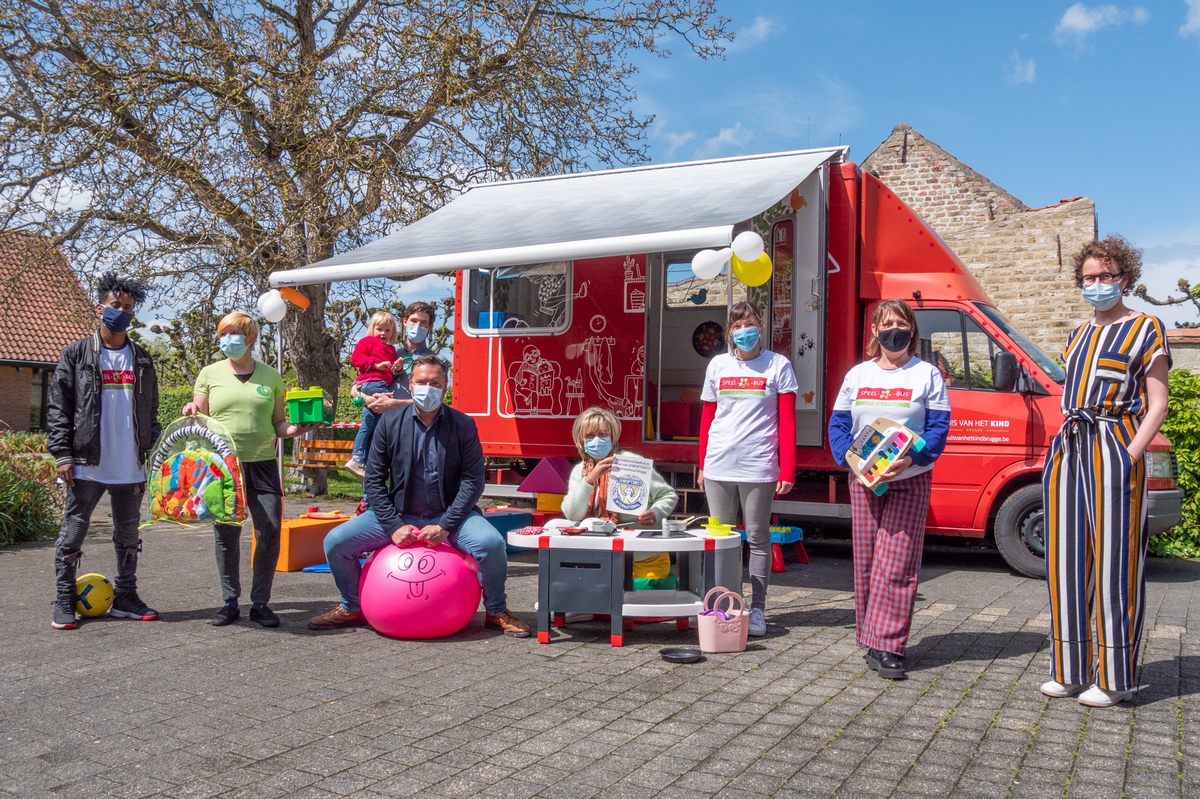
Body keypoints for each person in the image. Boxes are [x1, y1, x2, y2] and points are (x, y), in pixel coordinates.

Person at [309, 355, 530, 637]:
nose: (428, 387)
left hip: (451, 516)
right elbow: (374, 480)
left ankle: (496, 611)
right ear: (410, 385)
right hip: (399, 515)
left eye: (435, 383)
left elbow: (473, 482)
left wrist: (445, 526)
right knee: (336, 541)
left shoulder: (463, 425)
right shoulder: (388, 423)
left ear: (445, 385)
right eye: (422, 382)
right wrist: (393, 526)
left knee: (491, 544)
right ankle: (352, 607)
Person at [1041, 237, 1170, 708]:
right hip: (1070, 448)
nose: (1097, 285)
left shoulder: (1146, 328)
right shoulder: (1078, 333)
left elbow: (1158, 404)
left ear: (1125, 279)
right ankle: (1070, 670)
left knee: (1116, 565)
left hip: (1114, 445)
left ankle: (1115, 679)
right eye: (1090, 278)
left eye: (1106, 276)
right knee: (1066, 561)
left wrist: (1130, 454)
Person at [827, 299, 950, 680]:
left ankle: (890, 646)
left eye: (900, 323)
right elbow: (838, 426)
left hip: (909, 477)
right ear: (875, 332)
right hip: (864, 481)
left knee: (896, 562)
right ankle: (870, 638)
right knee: (866, 560)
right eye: (885, 323)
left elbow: (938, 428)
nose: (892, 329)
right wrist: (849, 460)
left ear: (912, 330)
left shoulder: (926, 375)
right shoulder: (858, 375)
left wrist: (912, 459)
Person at [182, 312, 317, 628]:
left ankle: (260, 603)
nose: (227, 340)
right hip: (222, 467)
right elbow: (199, 417)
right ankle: (230, 602)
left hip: (263, 465)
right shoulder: (209, 374)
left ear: (251, 338)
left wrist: (297, 428)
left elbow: (279, 424)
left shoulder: (271, 377)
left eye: (234, 334)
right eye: (223, 334)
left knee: (269, 529)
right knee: (227, 532)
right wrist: (191, 411)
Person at [47, 273, 161, 630]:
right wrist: (63, 455)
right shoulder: (76, 354)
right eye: (116, 306)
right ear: (100, 308)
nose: (122, 312)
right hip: (86, 464)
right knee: (73, 532)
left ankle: (125, 596)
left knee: (129, 536)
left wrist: (147, 448)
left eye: (128, 308)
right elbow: (57, 409)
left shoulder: (141, 359)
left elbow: (151, 411)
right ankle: (64, 599)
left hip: (130, 466)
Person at [698, 300, 798, 637]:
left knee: (757, 538)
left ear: (761, 327)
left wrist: (787, 470)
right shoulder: (717, 366)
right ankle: (727, 605)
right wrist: (701, 464)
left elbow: (787, 422)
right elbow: (707, 418)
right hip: (718, 466)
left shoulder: (778, 365)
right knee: (721, 541)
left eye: (750, 324)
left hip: (759, 466)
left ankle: (758, 610)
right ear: (729, 332)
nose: (744, 332)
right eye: (737, 326)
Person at [353, 301, 438, 417]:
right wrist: (367, 399)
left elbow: (433, 402)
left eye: (423, 323)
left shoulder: (437, 361)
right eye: (413, 321)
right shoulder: (389, 355)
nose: (417, 326)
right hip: (385, 422)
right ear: (405, 322)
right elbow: (355, 387)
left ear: (430, 327)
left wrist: (393, 404)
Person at [344, 310, 400, 480]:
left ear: (393, 332)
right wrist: (376, 364)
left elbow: (389, 372)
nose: (383, 334)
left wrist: (396, 369)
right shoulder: (367, 342)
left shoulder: (391, 349)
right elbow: (356, 359)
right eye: (379, 329)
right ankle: (368, 457)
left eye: (387, 330)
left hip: (380, 383)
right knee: (391, 416)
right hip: (371, 382)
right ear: (372, 329)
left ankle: (359, 459)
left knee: (370, 423)